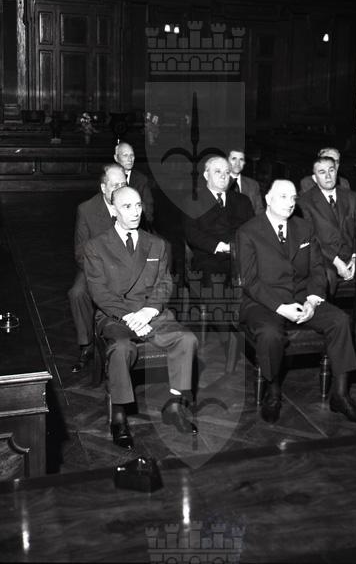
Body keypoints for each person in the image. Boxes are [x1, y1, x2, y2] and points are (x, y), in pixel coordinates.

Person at [235, 179, 356, 425]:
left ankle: (341, 395)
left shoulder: (304, 227)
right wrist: (280, 308)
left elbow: (317, 270)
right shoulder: (248, 232)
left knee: (341, 321)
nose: (290, 203)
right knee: (270, 333)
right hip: (263, 301)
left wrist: (312, 301)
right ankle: (273, 392)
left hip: (302, 296)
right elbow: (250, 281)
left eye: (293, 198)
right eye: (283, 197)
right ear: (268, 199)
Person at [84, 186, 198, 449]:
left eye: (138, 205)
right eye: (127, 207)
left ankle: (174, 406)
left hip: (151, 312)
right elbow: (99, 292)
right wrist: (130, 317)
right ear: (113, 210)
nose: (135, 212)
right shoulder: (96, 246)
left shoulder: (156, 243)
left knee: (187, 340)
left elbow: (164, 283)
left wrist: (149, 311)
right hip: (115, 315)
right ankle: (119, 415)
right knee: (121, 347)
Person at [68, 163, 127, 373]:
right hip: (95, 268)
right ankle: (87, 346)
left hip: (127, 269)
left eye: (123, 184)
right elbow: (80, 252)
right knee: (77, 293)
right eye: (114, 186)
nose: (120, 190)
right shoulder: (86, 210)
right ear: (103, 188)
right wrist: (103, 274)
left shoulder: (133, 204)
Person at [297, 155, 356, 296]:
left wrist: (355, 258)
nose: (328, 176)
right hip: (325, 257)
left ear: (336, 172)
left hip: (351, 255)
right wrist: (337, 262)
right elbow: (312, 239)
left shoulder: (351, 196)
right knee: (325, 277)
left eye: (331, 170)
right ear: (315, 178)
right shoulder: (305, 202)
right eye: (322, 172)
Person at [184, 156, 254, 285]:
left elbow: (253, 229)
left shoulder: (242, 200)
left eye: (227, 172)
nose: (223, 176)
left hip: (243, 256)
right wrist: (220, 246)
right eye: (218, 171)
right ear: (206, 175)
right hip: (210, 257)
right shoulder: (193, 201)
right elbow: (191, 233)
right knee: (215, 284)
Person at [114, 141, 154, 228]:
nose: (130, 159)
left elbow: (149, 210)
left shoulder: (141, 179)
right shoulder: (110, 178)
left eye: (132, 155)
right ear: (116, 158)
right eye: (125, 155)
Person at [228, 148, 264, 214]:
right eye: (234, 159)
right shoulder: (217, 182)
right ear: (227, 161)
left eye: (241, 159)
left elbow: (259, 212)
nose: (237, 163)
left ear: (244, 163)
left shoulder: (253, 185)